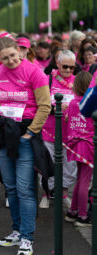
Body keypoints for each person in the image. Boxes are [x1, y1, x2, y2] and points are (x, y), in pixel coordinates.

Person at [0, 37, 51, 255]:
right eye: (5, 58)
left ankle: (27, 238)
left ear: (19, 51)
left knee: (25, 188)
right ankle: (16, 231)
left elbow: (45, 106)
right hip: (4, 132)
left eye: (13, 55)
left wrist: (30, 133)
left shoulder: (34, 72)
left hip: (25, 132)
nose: (10, 61)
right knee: (10, 187)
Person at [40, 50, 78, 209]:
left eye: (72, 67)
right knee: (48, 165)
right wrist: (53, 107)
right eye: (65, 67)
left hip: (71, 133)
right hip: (49, 131)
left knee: (70, 167)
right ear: (58, 64)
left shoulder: (77, 82)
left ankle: (63, 193)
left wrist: (72, 109)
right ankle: (46, 194)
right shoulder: (47, 79)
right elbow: (40, 102)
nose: (68, 70)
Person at [64, 71, 94, 227]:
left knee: (80, 180)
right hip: (88, 145)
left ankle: (73, 210)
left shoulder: (73, 102)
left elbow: (67, 118)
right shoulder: (90, 103)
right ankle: (82, 215)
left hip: (74, 143)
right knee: (85, 181)